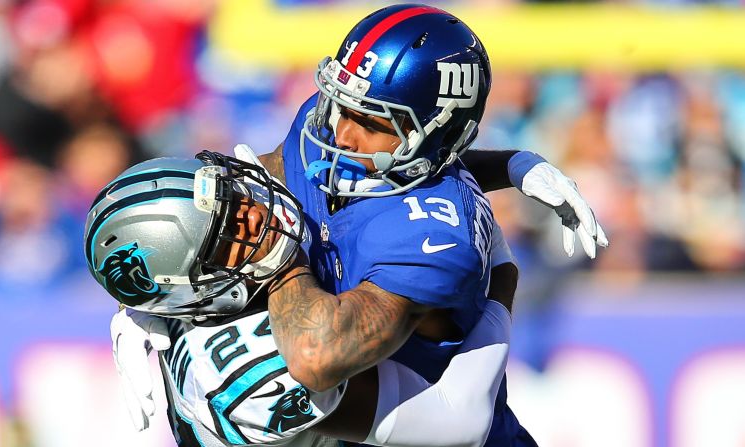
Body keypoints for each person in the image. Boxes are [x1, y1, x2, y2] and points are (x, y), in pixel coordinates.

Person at [249, 4, 606, 446]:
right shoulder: (332, 124)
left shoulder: (432, 233)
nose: (340, 133)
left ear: (435, 132)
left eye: (369, 119)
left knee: (251, 388)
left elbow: (316, 358)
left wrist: (274, 251)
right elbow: (270, 174)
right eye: (341, 103)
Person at [86, 150, 518, 446]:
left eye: (232, 195)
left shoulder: (188, 286)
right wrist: (501, 277)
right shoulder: (247, 370)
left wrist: (510, 166)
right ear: (198, 290)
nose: (256, 213)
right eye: (231, 232)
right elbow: (460, 420)